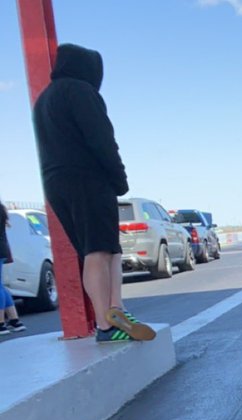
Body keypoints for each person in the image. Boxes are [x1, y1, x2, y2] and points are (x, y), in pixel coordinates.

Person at [32, 43, 154, 343]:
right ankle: (106, 321)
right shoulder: (82, 92)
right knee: (102, 250)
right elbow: (102, 139)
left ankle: (116, 312)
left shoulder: (44, 100)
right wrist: (119, 178)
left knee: (101, 249)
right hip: (88, 178)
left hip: (56, 181)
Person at [0, 203, 27, 336]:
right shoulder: (1, 209)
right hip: (2, 249)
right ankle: (15, 320)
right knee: (1, 286)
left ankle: (1, 325)